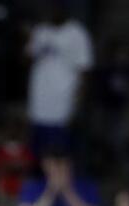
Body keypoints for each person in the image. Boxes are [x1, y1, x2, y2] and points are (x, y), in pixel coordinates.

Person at [25, 1, 94, 156]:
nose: (50, 10)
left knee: (60, 150)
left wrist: (78, 101)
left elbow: (84, 69)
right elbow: (27, 60)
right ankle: (39, 178)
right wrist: (29, 38)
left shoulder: (77, 32)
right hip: (39, 99)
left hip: (63, 100)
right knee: (38, 149)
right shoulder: (40, 30)